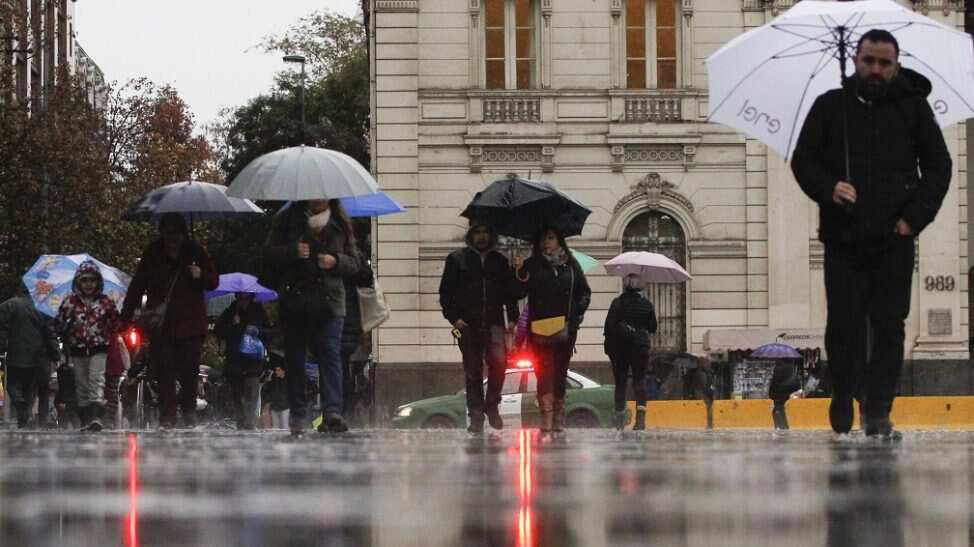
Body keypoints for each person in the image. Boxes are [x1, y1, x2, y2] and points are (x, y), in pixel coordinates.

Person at [791, 29, 952, 438]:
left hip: (893, 240)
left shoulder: (913, 110)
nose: (876, 69)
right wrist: (830, 188)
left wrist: (913, 219)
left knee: (888, 326)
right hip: (843, 239)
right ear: (857, 61)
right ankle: (844, 395)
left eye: (884, 63)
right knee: (842, 327)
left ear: (896, 65)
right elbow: (803, 160)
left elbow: (939, 167)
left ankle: (878, 409)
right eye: (869, 61)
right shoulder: (831, 107)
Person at [264, 199, 361, 435]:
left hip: (330, 304)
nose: (318, 197)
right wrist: (292, 252)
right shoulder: (287, 220)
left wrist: (336, 261)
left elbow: (355, 263)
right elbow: (267, 255)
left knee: (330, 355)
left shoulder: (340, 222)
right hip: (296, 303)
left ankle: (332, 412)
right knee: (295, 359)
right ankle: (298, 413)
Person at [120, 213, 219, 430]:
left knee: (189, 372)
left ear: (183, 234)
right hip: (162, 325)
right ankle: (167, 416)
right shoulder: (152, 253)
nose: (172, 238)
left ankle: (189, 411)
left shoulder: (196, 252)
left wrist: (199, 274)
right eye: (168, 233)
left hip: (191, 324)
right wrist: (127, 315)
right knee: (164, 371)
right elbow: (138, 283)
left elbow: (213, 281)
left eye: (176, 234)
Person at [439, 218, 520, 433]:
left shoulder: (500, 262)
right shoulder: (457, 259)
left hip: (494, 321)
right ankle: (476, 413)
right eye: (478, 232)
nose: (482, 236)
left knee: (500, 363)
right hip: (468, 323)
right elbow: (446, 292)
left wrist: (512, 318)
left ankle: (491, 404)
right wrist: (454, 318)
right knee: (473, 370)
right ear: (471, 234)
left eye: (486, 231)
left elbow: (510, 293)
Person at [513, 227, 591, 435]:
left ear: (559, 241)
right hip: (540, 330)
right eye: (543, 239)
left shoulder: (571, 265)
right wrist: (519, 272)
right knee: (544, 374)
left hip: (565, 330)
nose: (546, 242)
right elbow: (519, 292)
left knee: (559, 374)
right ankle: (546, 417)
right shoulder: (532, 265)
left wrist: (577, 311)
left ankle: (558, 415)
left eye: (550, 238)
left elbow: (584, 292)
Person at [53, 260, 122, 432]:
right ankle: (85, 419)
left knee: (96, 379)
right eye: (84, 280)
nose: (89, 284)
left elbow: (116, 323)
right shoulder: (70, 302)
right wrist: (66, 326)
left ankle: (96, 416)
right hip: (78, 349)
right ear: (78, 282)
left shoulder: (106, 302)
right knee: (81, 384)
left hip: (99, 348)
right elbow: (57, 324)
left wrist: (105, 329)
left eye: (92, 280)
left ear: (98, 282)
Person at [0, 287, 61, 428]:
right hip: (37, 357)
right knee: (30, 388)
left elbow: (2, 328)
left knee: (12, 385)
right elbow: (50, 333)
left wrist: (2, 346)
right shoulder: (43, 309)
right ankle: (26, 416)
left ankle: (20, 405)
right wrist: (55, 353)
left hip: (16, 353)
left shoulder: (9, 305)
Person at [603, 274, 657, 431]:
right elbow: (653, 327)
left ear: (625, 285)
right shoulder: (647, 305)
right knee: (639, 382)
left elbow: (609, 327)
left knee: (620, 384)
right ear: (640, 286)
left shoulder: (617, 303)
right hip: (641, 347)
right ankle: (640, 421)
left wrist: (608, 346)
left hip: (620, 348)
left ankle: (619, 420)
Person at [213, 292, 272, 430]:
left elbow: (269, 332)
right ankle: (241, 420)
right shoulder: (230, 311)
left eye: (245, 298)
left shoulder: (259, 312)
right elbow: (218, 330)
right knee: (236, 393)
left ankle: (249, 421)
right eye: (240, 298)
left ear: (251, 297)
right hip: (234, 360)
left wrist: (257, 330)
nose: (242, 301)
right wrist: (233, 325)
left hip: (253, 361)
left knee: (252, 390)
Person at [261, 365, 290, 429]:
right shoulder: (273, 380)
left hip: (285, 407)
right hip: (274, 406)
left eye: (278, 370)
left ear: (283, 371)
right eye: (276, 370)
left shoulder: (288, 381)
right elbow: (267, 391)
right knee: (275, 427)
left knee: (285, 426)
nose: (276, 372)